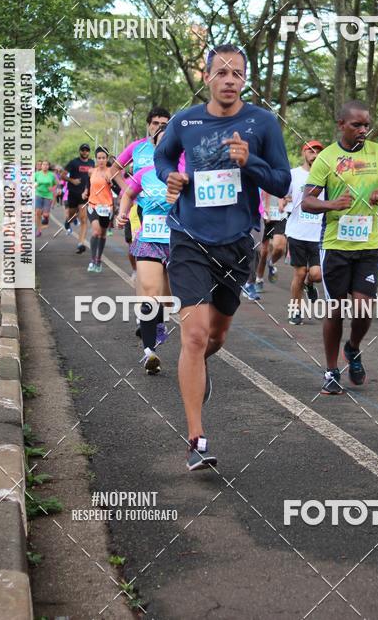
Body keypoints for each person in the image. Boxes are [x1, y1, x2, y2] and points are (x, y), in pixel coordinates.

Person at [155, 43, 291, 471]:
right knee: (193, 336)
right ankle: (196, 438)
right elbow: (162, 157)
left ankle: (197, 372)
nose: (229, 80)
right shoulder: (186, 120)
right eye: (221, 73)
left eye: (237, 73)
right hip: (189, 237)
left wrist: (250, 162)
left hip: (236, 242)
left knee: (215, 339)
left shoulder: (262, 123)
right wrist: (170, 177)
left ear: (244, 78)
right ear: (207, 78)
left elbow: (283, 181)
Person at [301, 101, 378, 395]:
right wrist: (331, 203)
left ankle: (352, 348)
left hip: (367, 245)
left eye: (367, 125)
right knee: (336, 309)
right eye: (357, 125)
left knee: (364, 308)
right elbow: (307, 201)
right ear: (341, 124)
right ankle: (330, 370)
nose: (364, 130)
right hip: (335, 246)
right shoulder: (327, 157)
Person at [117, 125, 173, 374]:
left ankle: (159, 323)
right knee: (150, 291)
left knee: (167, 298)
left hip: (179, 241)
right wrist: (122, 213)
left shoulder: (185, 173)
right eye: (159, 143)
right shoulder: (145, 174)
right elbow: (128, 194)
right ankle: (149, 352)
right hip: (149, 237)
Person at [284, 141, 325, 326]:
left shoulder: (327, 175)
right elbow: (283, 193)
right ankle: (295, 310)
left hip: (319, 234)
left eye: (318, 151)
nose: (315, 154)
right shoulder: (294, 174)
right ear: (304, 153)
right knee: (299, 273)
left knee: (316, 274)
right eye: (311, 150)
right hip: (297, 232)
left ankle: (310, 285)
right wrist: (283, 200)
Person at [84, 147, 123, 272]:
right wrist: (85, 192)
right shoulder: (91, 171)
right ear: (96, 159)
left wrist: (111, 184)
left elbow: (119, 190)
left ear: (107, 158)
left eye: (103, 158)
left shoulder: (111, 172)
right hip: (93, 205)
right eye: (99, 158)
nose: (101, 160)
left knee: (102, 234)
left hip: (107, 208)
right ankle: (92, 260)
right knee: (95, 232)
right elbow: (88, 184)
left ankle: (99, 259)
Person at [62, 144, 94, 254]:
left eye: (87, 150)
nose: (85, 152)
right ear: (80, 151)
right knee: (71, 214)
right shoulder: (73, 162)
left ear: (89, 152)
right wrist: (72, 180)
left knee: (84, 219)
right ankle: (68, 220)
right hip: (73, 193)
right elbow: (63, 175)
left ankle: (81, 244)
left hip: (84, 195)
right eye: (83, 150)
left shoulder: (92, 163)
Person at [254, 191, 288, 286]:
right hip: (264, 215)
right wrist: (266, 206)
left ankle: (271, 262)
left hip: (280, 216)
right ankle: (259, 279)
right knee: (263, 252)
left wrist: (284, 200)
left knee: (280, 247)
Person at [34, 160, 57, 237]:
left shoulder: (51, 175)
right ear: (41, 166)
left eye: (47, 165)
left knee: (45, 214)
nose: (45, 166)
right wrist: (34, 185)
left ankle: (46, 217)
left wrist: (53, 189)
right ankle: (39, 230)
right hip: (38, 194)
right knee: (38, 212)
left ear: (48, 166)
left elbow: (56, 184)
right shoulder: (37, 174)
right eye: (43, 164)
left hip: (48, 195)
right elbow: (31, 183)